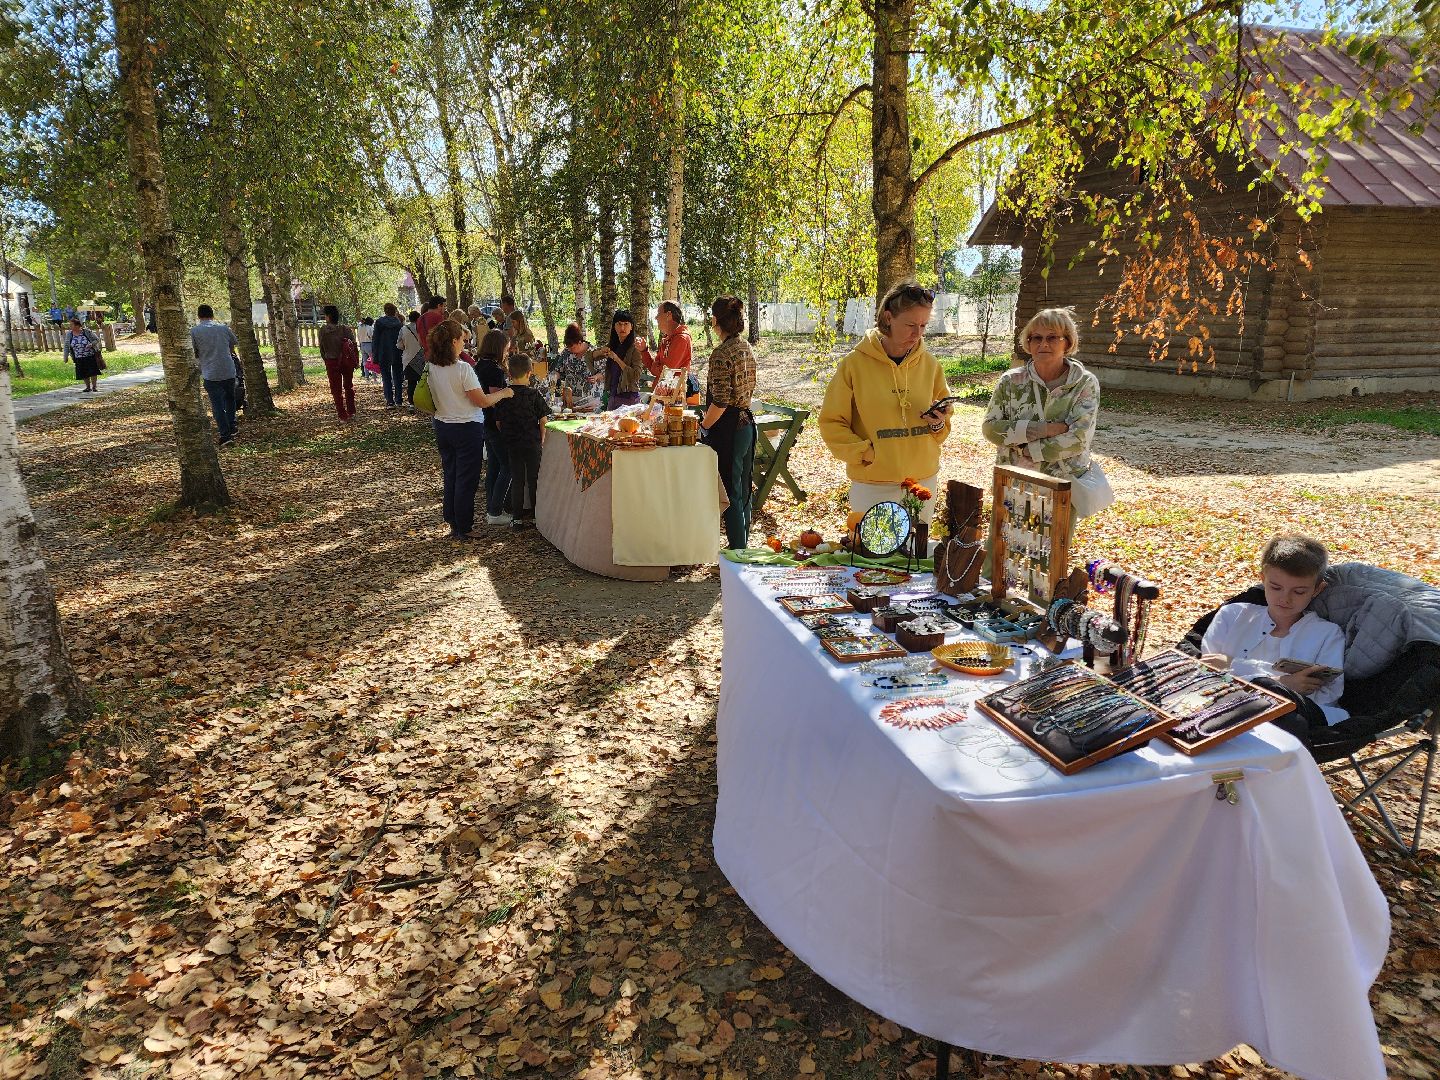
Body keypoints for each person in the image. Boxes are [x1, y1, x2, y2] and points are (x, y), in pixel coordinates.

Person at [818, 282, 952, 529]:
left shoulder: (931, 364)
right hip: (874, 484)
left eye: (923, 326)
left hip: (923, 482)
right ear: (888, 318)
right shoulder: (854, 365)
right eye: (911, 325)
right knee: (872, 564)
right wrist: (867, 453)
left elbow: (942, 428)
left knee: (914, 559)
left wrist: (938, 423)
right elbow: (831, 422)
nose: (918, 333)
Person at [1199, 534, 1347, 744]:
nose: (1285, 599)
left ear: (1317, 589)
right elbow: (1208, 677)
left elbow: (1328, 694)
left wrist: (1235, 666)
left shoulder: (1327, 634)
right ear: (1262, 579)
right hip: (1220, 715)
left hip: (1290, 727)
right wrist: (1281, 683)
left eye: (1299, 591)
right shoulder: (1231, 616)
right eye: (1276, 588)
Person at [981, 307, 1101, 483]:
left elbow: (1078, 438)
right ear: (1028, 343)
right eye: (1036, 338)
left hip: (1065, 485)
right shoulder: (1011, 381)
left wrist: (1030, 450)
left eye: (1052, 337)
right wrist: (1044, 429)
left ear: (1067, 342)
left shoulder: (1084, 383)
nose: (1043, 344)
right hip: (1015, 482)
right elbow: (990, 429)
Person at [426, 320, 513, 539]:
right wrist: (504, 393)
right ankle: (463, 526)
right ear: (453, 342)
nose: (465, 344)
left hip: (443, 425)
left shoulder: (432, 366)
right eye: (463, 340)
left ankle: (454, 520)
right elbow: (482, 401)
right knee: (466, 478)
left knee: (452, 474)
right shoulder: (462, 368)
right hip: (465, 428)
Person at [702, 296, 758, 550]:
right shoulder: (745, 347)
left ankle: (737, 552)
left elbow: (721, 401)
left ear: (715, 320)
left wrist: (703, 426)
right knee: (744, 489)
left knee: (730, 491)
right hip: (747, 424)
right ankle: (742, 545)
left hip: (730, 428)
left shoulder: (721, 353)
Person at [492, 351, 552, 529]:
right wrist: (541, 438)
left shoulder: (504, 396)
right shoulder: (533, 394)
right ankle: (535, 515)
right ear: (529, 373)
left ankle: (517, 518)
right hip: (532, 442)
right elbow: (543, 420)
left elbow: (498, 422)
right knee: (533, 479)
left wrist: (507, 434)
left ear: (509, 374)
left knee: (517, 479)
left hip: (513, 443)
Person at [474, 329, 514, 525]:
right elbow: (496, 400)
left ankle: (492, 507)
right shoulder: (493, 370)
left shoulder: (480, 365)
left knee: (495, 465)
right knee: (508, 465)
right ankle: (496, 511)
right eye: (506, 347)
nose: (508, 350)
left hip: (485, 422)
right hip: (494, 423)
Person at [190, 304, 239, 445]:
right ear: (213, 315)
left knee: (217, 405)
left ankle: (225, 435)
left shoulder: (194, 332)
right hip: (228, 370)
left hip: (210, 372)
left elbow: (194, 351)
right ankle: (232, 425)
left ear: (199, 316)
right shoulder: (223, 328)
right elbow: (233, 343)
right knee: (230, 399)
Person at [594, 309, 646, 409]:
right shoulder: (613, 345)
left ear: (631, 327)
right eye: (619, 324)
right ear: (614, 326)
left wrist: (617, 359)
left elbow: (636, 375)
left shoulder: (635, 347)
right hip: (612, 396)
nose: (622, 327)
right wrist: (600, 352)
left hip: (629, 398)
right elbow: (589, 357)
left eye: (626, 324)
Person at [316, 304, 358, 421]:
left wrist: (326, 359)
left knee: (336, 390)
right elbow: (353, 345)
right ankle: (351, 411)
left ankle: (342, 414)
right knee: (349, 386)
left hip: (331, 361)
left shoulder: (323, 330)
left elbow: (322, 348)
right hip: (347, 361)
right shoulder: (345, 329)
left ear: (328, 316)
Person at [553, 323, 603, 410]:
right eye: (568, 347)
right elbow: (558, 370)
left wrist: (596, 377)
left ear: (580, 342)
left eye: (573, 347)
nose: (570, 350)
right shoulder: (566, 353)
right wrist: (552, 379)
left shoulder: (593, 352)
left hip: (590, 400)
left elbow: (605, 372)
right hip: (571, 400)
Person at [645, 300, 693, 379]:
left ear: (669, 315)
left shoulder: (681, 339)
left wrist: (657, 367)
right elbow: (654, 368)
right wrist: (644, 351)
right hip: (663, 390)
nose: (656, 317)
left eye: (659, 314)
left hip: (673, 391)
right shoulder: (667, 339)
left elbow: (665, 373)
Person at [372, 303, 406, 407]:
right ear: (394, 311)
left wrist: (375, 354)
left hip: (383, 352)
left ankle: (390, 400)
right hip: (397, 352)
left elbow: (375, 339)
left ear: (385, 311)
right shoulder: (399, 323)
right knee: (398, 376)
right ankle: (399, 400)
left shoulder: (379, 323)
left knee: (386, 377)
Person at [62, 316, 103, 392]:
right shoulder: (69, 334)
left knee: (93, 372)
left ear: (77, 326)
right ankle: (87, 387)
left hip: (90, 355)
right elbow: (67, 346)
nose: (70, 326)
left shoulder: (86, 332)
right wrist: (65, 357)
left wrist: (91, 344)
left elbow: (97, 339)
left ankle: (94, 386)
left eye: (71, 325)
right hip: (78, 356)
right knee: (83, 372)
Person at [399, 310, 424, 407]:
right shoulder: (422, 328)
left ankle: (411, 403)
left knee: (411, 383)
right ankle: (423, 402)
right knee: (422, 382)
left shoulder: (403, 329)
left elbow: (399, 345)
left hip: (408, 358)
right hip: (421, 358)